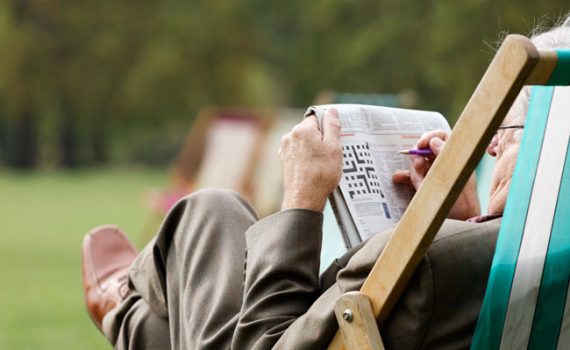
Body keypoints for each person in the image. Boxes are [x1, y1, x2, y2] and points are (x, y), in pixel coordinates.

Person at [81, 20, 570, 349]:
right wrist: (465, 222)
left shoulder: (426, 262)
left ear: (549, 147)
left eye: (503, 133)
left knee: (207, 212)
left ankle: (128, 311)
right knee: (216, 217)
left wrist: (302, 201)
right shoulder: (528, 262)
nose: (487, 148)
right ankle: (136, 314)